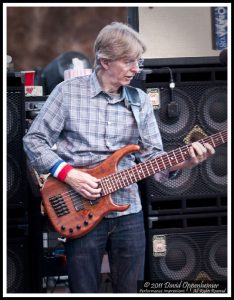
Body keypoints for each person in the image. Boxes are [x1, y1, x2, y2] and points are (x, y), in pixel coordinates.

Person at [23, 22, 215, 293]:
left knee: (130, 289)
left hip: (128, 211)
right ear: (104, 61)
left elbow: (153, 159)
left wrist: (185, 162)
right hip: (79, 208)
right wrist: (70, 175)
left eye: (138, 61)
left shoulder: (139, 100)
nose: (136, 69)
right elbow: (33, 140)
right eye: (128, 62)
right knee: (84, 289)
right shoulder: (67, 93)